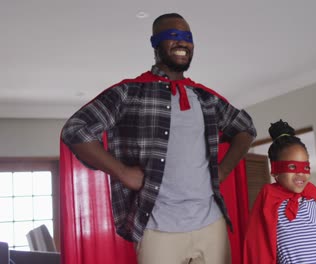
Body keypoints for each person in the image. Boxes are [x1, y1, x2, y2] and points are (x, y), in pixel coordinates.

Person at [61, 13, 256, 264]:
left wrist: (224, 169)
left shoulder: (205, 98)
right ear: (155, 43)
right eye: (173, 36)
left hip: (211, 224)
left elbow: (246, 128)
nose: (182, 43)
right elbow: (76, 128)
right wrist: (122, 171)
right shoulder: (129, 93)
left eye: (187, 38)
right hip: (158, 229)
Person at [243, 120, 316, 264]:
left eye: (305, 167)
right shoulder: (269, 195)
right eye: (292, 167)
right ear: (275, 171)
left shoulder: (311, 195)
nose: (301, 174)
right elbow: (259, 239)